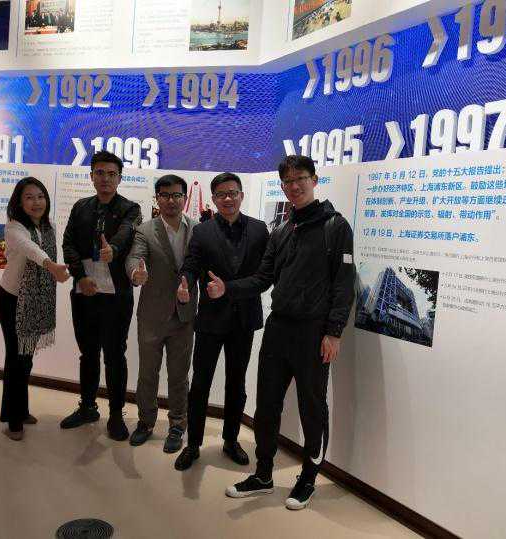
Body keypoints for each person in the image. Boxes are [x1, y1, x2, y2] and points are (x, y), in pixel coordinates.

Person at [213, 155, 355, 510]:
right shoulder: (282, 230)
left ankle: (308, 478)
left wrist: (334, 332)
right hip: (278, 328)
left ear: (314, 180)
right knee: (267, 405)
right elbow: (263, 278)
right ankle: (263, 475)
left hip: (314, 333)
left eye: (300, 178)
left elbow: (344, 284)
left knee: (312, 408)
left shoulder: (335, 227)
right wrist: (228, 288)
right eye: (288, 181)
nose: (294, 186)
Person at [173, 172, 269, 470]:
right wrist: (185, 283)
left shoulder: (259, 230)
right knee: (200, 383)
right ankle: (193, 444)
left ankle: (231, 440)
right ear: (213, 199)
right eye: (221, 194)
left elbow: (264, 278)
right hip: (211, 319)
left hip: (244, 320)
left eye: (233, 193)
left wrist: (229, 288)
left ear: (241, 195)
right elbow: (191, 265)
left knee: (236, 384)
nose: (228, 198)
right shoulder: (202, 232)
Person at [60, 151, 142, 441]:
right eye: (100, 173)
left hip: (116, 296)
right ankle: (87, 407)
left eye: (111, 174)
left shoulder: (130, 208)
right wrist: (80, 277)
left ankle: (116, 414)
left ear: (119, 178)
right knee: (88, 353)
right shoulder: (81, 207)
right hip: (85, 292)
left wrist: (113, 250)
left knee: (115, 355)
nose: (105, 178)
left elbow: (126, 233)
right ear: (91, 176)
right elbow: (68, 243)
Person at [125, 175, 198, 453]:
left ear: (185, 198)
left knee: (179, 375)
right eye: (165, 195)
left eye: (177, 195)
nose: (171, 200)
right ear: (157, 198)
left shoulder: (198, 229)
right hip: (152, 316)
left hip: (184, 315)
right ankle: (145, 422)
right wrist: (136, 272)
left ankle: (178, 424)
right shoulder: (145, 230)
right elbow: (135, 257)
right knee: (148, 373)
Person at [0, 177, 70, 441]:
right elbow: (30, 249)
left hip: (36, 300)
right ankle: (13, 420)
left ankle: (22, 409)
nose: (36, 202)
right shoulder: (14, 227)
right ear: (19, 202)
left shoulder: (49, 226)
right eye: (29, 197)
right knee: (16, 358)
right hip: (13, 299)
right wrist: (51, 265)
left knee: (26, 357)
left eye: (40, 196)